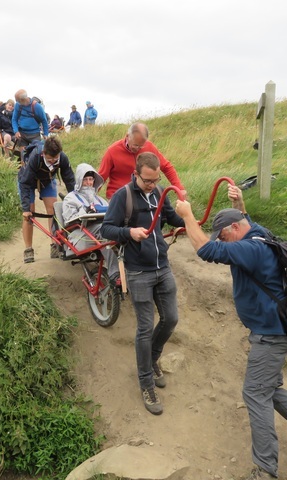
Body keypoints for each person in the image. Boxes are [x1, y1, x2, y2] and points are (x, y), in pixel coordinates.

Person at [174, 185, 287, 480]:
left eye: (224, 235)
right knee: (270, 390)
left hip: (270, 335)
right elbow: (246, 223)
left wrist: (186, 215)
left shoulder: (252, 248)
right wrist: (241, 203)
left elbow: (205, 250)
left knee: (254, 393)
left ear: (236, 228)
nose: (223, 241)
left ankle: (265, 470)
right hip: (276, 331)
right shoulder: (261, 233)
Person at [100, 152, 185, 416]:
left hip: (163, 267)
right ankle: (146, 382)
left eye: (155, 179)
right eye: (147, 180)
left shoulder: (160, 191)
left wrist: (188, 216)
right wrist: (129, 233)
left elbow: (171, 218)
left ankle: (153, 357)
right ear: (136, 174)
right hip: (138, 272)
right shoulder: (122, 197)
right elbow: (106, 230)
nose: (151, 185)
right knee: (145, 328)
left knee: (171, 319)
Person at [18, 136, 75, 264]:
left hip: (47, 180)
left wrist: (75, 199)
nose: (53, 162)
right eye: (50, 159)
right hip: (27, 181)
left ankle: (54, 244)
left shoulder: (63, 158)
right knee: (29, 214)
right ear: (44, 153)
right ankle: (28, 249)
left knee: (53, 210)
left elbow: (69, 180)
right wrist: (26, 209)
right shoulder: (35, 157)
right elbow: (25, 183)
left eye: (56, 159)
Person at [98, 122, 186, 199]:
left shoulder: (149, 147)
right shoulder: (112, 151)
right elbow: (101, 178)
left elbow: (166, 167)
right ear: (128, 136)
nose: (138, 149)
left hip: (144, 196)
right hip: (118, 197)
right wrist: (90, 198)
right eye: (135, 145)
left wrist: (179, 188)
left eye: (141, 146)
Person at [62, 164, 118, 280]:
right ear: (79, 180)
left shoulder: (100, 200)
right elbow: (69, 220)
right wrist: (85, 212)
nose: (89, 182)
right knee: (105, 231)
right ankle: (115, 273)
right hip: (80, 232)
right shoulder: (70, 198)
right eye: (85, 179)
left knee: (118, 230)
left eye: (91, 179)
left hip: (98, 229)